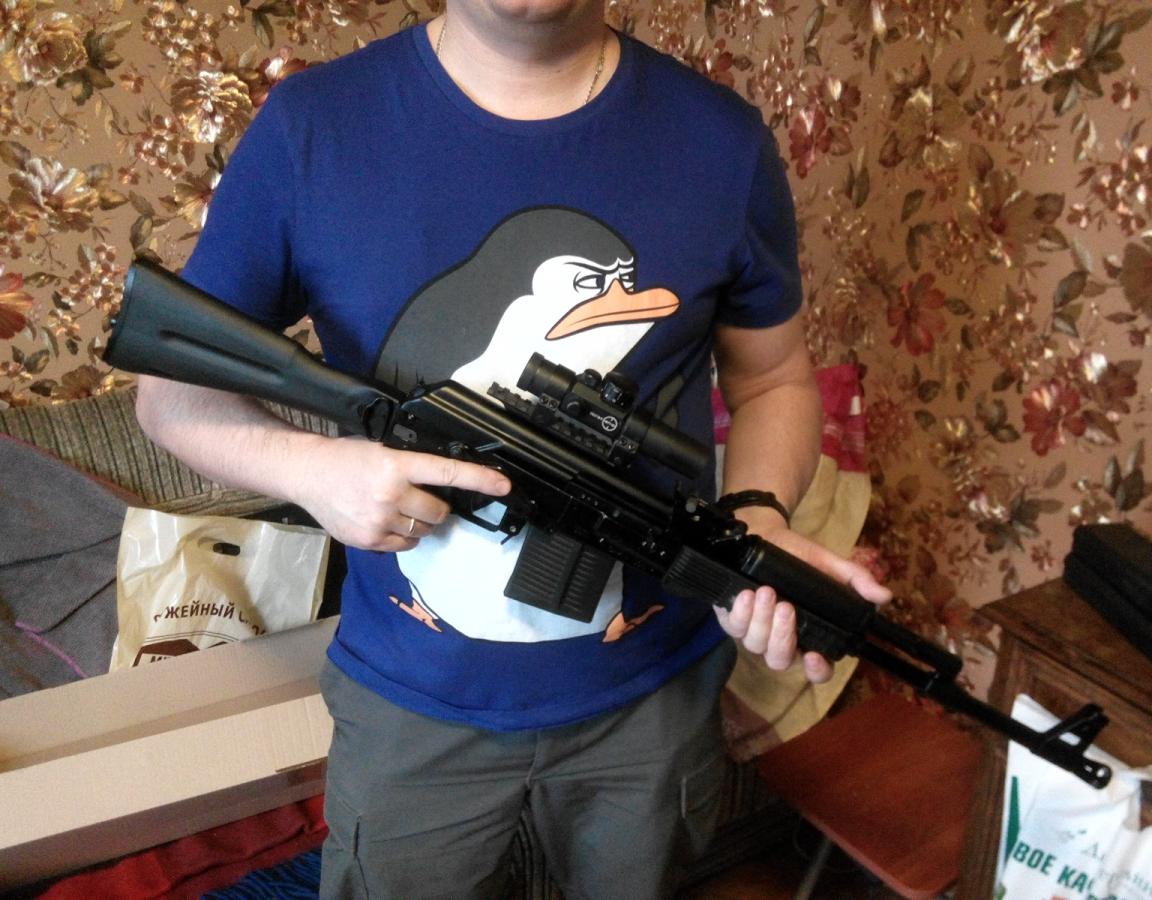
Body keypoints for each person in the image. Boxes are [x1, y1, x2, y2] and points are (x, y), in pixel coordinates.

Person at [133, 0, 890, 896]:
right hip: (412, 705)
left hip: (654, 701)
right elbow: (169, 394)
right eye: (589, 287)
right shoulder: (313, 129)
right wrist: (314, 471)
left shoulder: (721, 142)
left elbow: (774, 382)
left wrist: (754, 521)